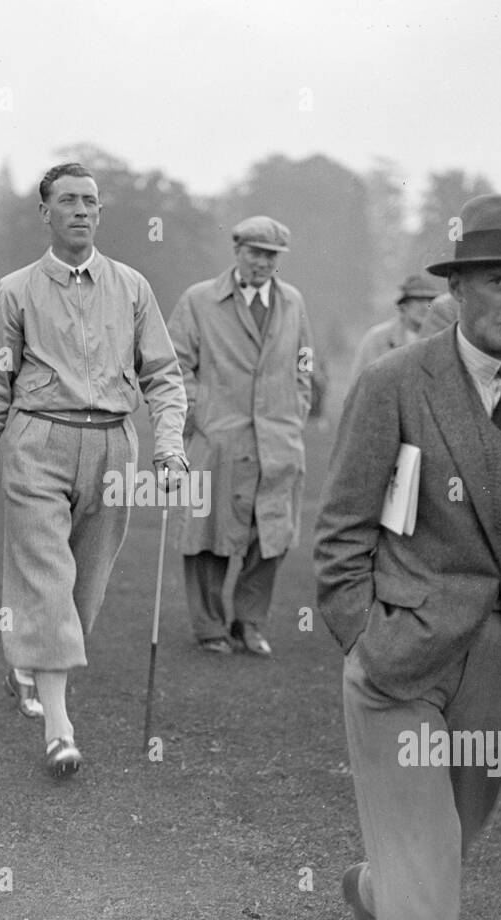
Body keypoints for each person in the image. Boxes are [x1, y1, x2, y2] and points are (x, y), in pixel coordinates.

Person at [314, 195, 501, 920]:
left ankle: (370, 889)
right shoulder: (394, 381)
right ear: (457, 288)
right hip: (400, 663)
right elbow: (341, 530)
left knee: (443, 849)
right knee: (426, 877)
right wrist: (367, 634)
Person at [0, 162, 187, 777]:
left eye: (91, 201)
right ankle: (59, 729)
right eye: (68, 201)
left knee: (83, 591)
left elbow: (164, 376)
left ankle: (31, 664)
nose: (82, 211)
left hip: (115, 447)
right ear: (46, 213)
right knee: (46, 577)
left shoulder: (133, 287)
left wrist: (170, 447)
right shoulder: (16, 290)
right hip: (39, 442)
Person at [168, 216, 312, 656]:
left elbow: (305, 363)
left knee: (269, 536)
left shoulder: (292, 302)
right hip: (217, 439)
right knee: (206, 535)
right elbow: (173, 367)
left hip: (277, 440)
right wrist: (200, 414)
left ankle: (250, 624)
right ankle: (210, 627)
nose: (263, 263)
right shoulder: (199, 300)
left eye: (271, 256)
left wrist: (294, 411)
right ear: (237, 251)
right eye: (255, 253)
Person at [352, 274, 440, 375]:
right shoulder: (378, 339)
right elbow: (360, 382)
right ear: (404, 306)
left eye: (430, 301)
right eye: (418, 301)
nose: (425, 307)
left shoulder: (442, 339)